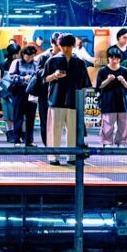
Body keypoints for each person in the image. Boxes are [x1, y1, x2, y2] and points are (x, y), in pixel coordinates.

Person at [43, 34, 91, 166]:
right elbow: (44, 79)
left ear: (73, 46)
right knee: (55, 130)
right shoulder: (51, 61)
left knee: (73, 130)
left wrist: (83, 103)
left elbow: (84, 84)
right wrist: (54, 75)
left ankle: (72, 156)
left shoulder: (80, 63)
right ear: (59, 45)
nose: (65, 49)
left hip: (74, 101)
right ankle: (53, 157)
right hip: (56, 99)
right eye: (62, 46)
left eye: (68, 46)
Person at [95, 46, 127, 148]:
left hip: (122, 100)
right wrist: (108, 80)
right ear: (109, 58)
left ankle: (121, 142)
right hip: (108, 100)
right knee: (107, 123)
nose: (114, 60)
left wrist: (123, 81)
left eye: (117, 58)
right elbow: (99, 86)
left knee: (123, 124)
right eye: (112, 58)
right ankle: (106, 142)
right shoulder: (103, 70)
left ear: (120, 59)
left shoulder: (124, 70)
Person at [6, 44, 40, 147]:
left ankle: (29, 140)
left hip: (32, 93)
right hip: (19, 92)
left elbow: (38, 75)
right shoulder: (16, 63)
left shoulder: (35, 63)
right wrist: (23, 78)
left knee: (31, 117)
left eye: (32, 56)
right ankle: (17, 139)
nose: (30, 58)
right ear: (23, 54)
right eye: (28, 56)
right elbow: (10, 76)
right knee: (18, 116)